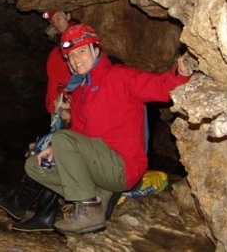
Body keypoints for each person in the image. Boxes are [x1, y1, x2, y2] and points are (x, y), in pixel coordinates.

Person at [25, 24, 194, 235]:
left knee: (62, 138)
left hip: (122, 165)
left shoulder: (119, 76)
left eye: (81, 51)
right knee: (34, 166)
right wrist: (52, 148)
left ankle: (88, 210)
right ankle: (96, 196)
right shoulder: (81, 91)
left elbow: (160, 87)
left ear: (96, 50)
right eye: (70, 56)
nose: (76, 59)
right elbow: (77, 131)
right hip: (96, 165)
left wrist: (182, 72)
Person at [0, 87, 72, 232]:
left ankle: (20, 204)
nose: (53, 101)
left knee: (46, 159)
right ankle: (41, 214)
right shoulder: (64, 125)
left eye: (58, 99)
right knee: (46, 154)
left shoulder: (74, 126)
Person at [42, 10, 76, 116]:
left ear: (68, 16)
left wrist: (68, 98)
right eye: (53, 22)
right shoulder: (56, 51)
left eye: (58, 19)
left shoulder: (78, 40)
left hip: (69, 103)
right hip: (57, 103)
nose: (56, 24)